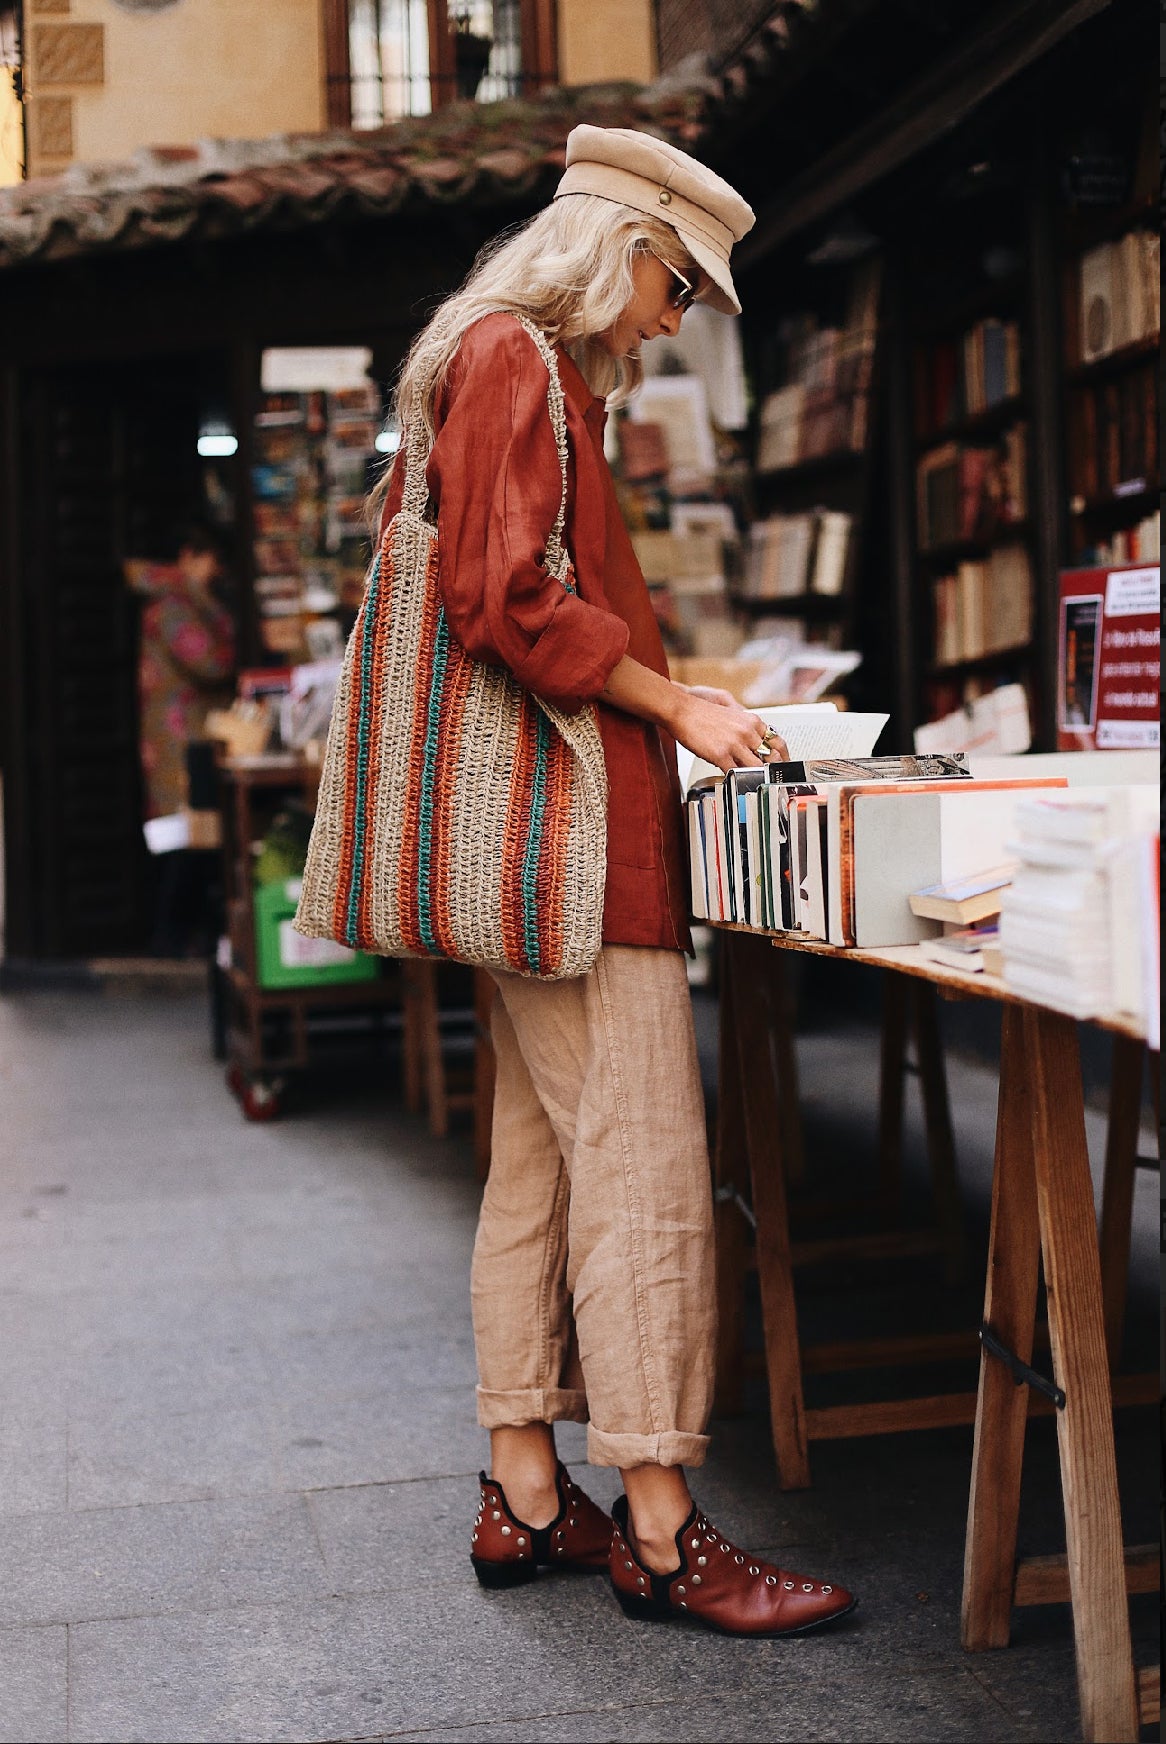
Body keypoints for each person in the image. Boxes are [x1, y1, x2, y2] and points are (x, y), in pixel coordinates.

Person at [374, 125, 856, 1636]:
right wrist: (673, 704)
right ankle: (658, 1520)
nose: (673, 319)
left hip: (524, 852)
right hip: (573, 849)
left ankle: (524, 1485)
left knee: (537, 1161)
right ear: (620, 246)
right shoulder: (520, 359)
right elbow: (503, 597)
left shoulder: (492, 357)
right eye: (675, 288)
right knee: (645, 1171)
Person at [126, 524, 236, 954]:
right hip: (179, 738)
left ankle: (179, 933)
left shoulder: (181, 600)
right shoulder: (174, 604)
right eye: (213, 562)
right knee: (183, 837)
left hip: (185, 735)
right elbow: (209, 661)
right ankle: (170, 937)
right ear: (191, 555)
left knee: (189, 837)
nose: (217, 573)